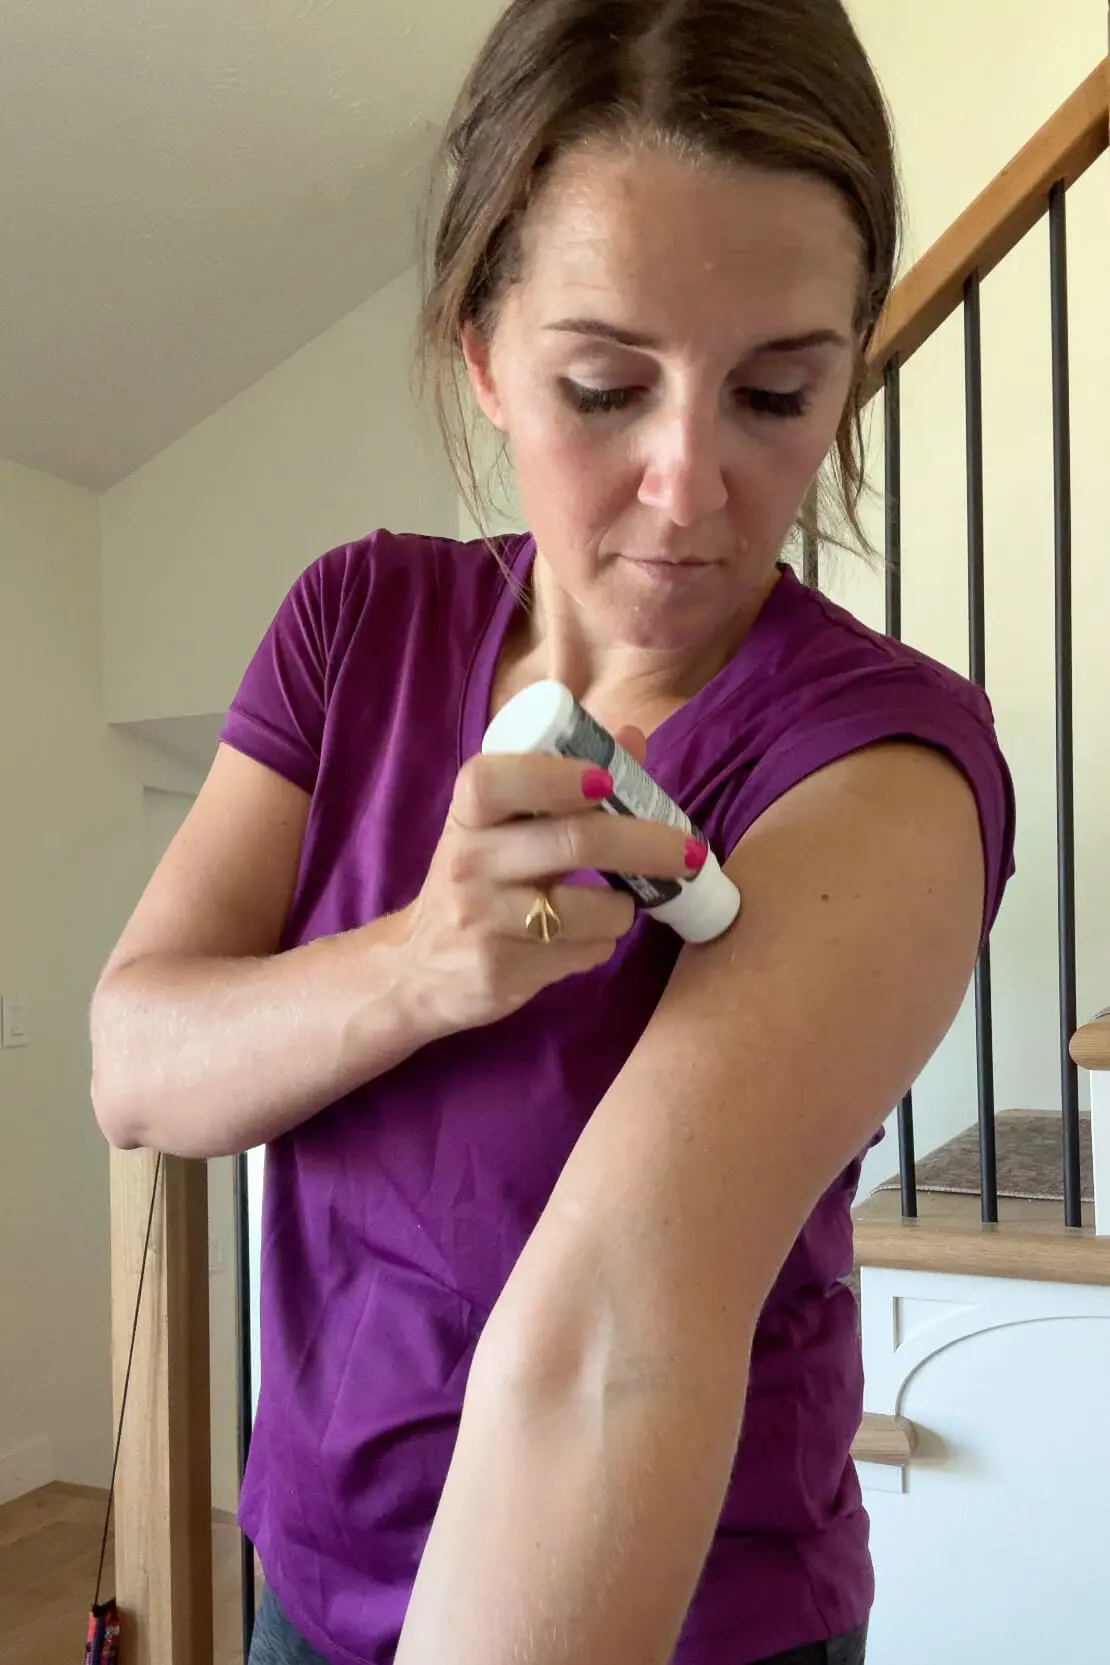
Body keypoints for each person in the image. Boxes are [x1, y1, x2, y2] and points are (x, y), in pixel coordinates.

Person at [90, 0, 1016, 1661]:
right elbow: (137, 1066)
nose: (687, 487)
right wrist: (424, 967)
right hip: (305, 1568)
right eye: (602, 386)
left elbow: (608, 1350)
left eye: (774, 394)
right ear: (482, 355)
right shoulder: (355, 621)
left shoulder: (884, 769)